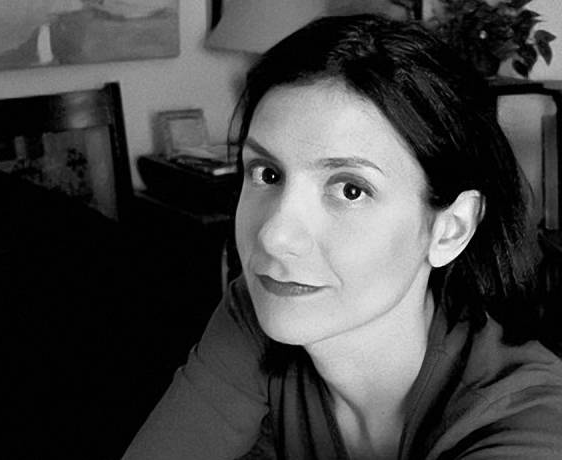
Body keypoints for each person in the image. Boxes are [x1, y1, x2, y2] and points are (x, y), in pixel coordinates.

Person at [121, 14, 562, 460]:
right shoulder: (257, 311)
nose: (274, 236)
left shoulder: (527, 419)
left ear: (451, 229)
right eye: (267, 173)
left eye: (351, 189)